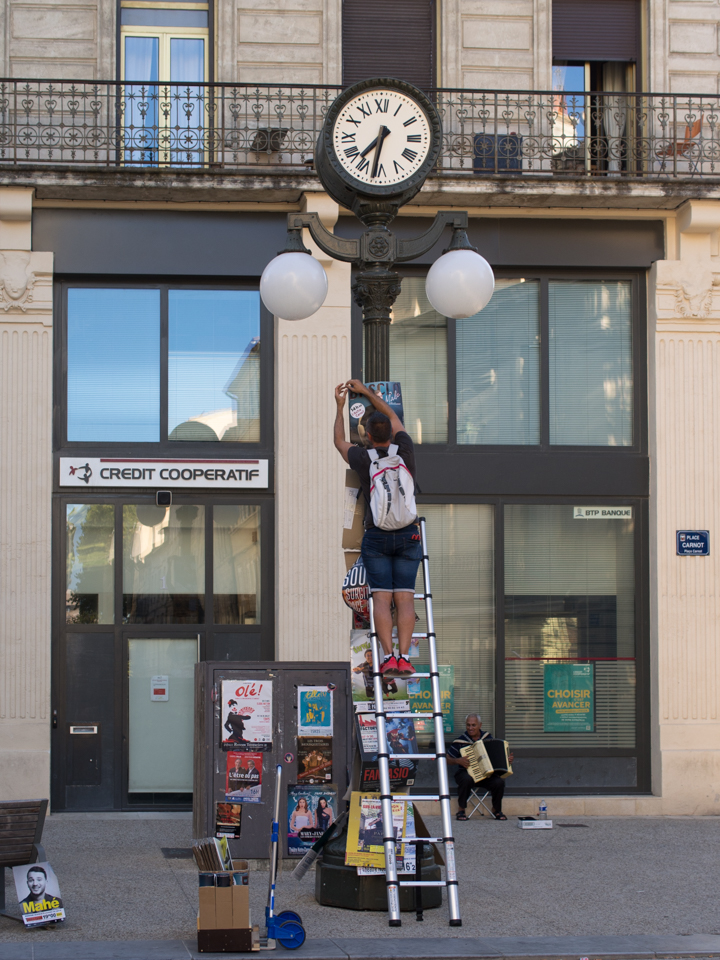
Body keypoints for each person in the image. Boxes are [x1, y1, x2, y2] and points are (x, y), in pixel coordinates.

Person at [334, 379, 421, 679]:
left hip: (377, 537)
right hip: (409, 535)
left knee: (382, 598)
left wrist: (340, 406)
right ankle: (405, 657)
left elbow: (339, 441)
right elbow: (395, 420)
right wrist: (370, 393)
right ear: (390, 434)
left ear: (368, 436)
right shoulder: (405, 451)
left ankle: (387, 659)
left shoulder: (363, 458)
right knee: (405, 598)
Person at [446, 713, 514, 821]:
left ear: (480, 725)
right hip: (465, 773)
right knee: (466, 779)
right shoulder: (460, 741)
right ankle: (461, 810)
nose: (470, 728)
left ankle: (496, 809)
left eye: (473, 725)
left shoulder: (487, 738)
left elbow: (497, 755)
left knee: (499, 782)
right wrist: (457, 760)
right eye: (468, 725)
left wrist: (507, 760)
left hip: (485, 775)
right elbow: (447, 759)